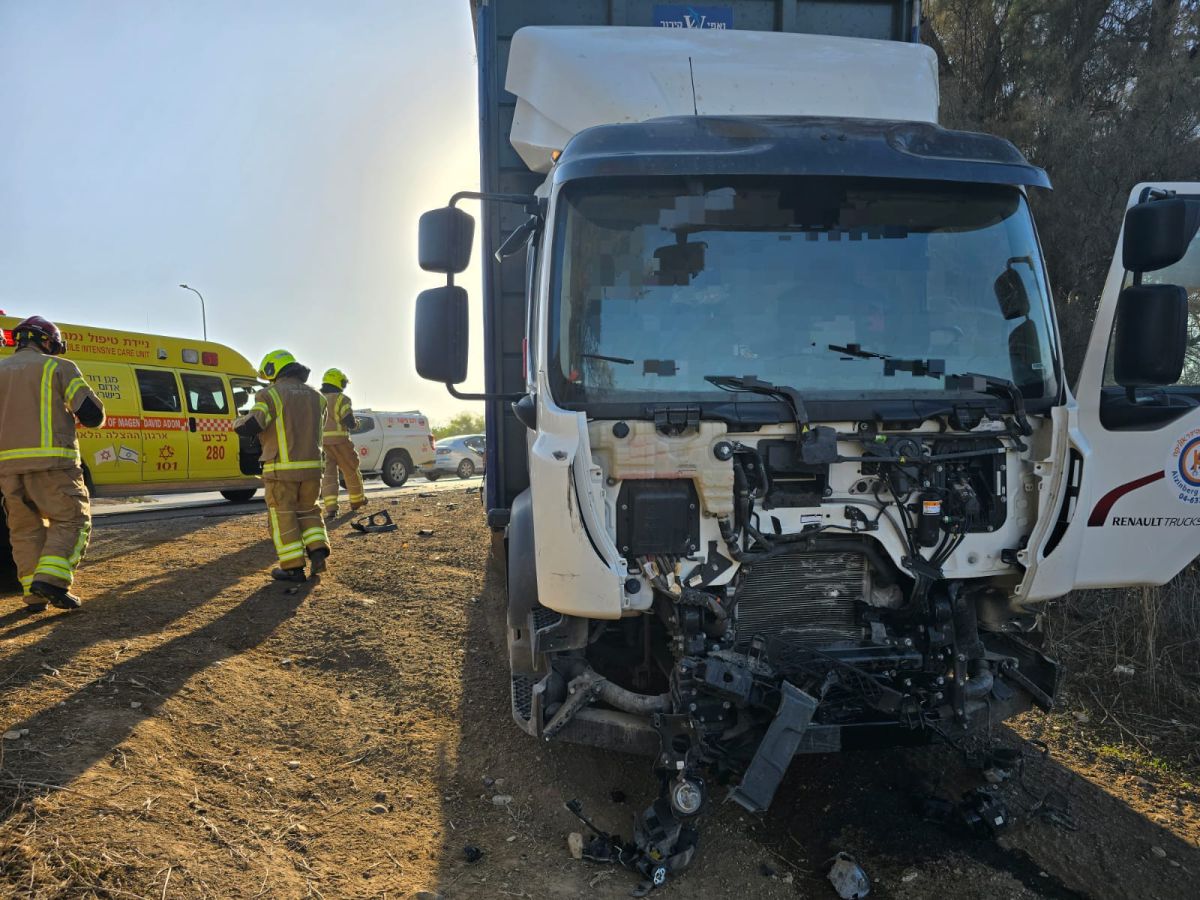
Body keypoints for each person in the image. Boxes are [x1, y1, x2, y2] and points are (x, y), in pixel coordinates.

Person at [0, 316, 105, 611]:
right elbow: (92, 415)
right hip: (53, 463)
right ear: (47, 341)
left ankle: (34, 594)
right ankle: (52, 581)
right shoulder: (59, 367)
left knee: (24, 530)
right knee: (72, 519)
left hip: (7, 469)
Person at [234, 350, 329, 582]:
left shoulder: (269, 395)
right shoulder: (318, 396)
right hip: (313, 469)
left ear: (272, 371)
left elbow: (254, 423)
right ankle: (318, 551)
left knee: (283, 515)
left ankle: (293, 568)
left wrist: (237, 422)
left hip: (282, 469)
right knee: (309, 509)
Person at [318, 367, 366, 517]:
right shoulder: (342, 399)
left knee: (328, 475)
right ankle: (357, 500)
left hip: (323, 444)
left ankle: (331, 507)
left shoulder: (318, 398)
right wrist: (356, 424)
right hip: (340, 442)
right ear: (338, 382)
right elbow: (348, 420)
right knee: (351, 469)